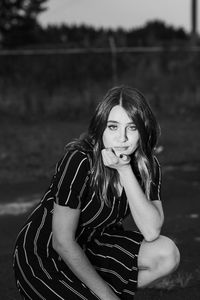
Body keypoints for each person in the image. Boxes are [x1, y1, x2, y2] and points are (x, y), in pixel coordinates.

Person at [13, 86, 180, 300]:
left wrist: (124, 169)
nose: (122, 138)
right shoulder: (80, 160)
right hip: (46, 254)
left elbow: (151, 232)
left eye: (132, 127)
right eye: (113, 127)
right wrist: (107, 296)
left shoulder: (148, 165)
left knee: (166, 254)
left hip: (95, 245)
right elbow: (62, 242)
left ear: (143, 129)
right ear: (101, 127)